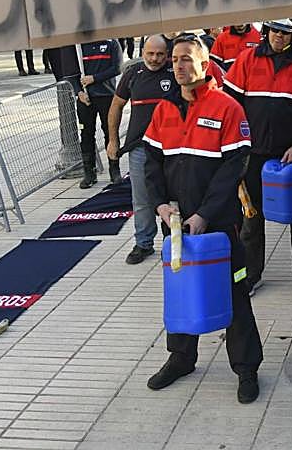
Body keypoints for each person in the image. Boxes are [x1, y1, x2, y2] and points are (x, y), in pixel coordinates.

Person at [143, 34, 263, 403]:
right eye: (175, 59)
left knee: (234, 294)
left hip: (218, 228)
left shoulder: (227, 108)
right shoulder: (163, 109)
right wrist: (160, 205)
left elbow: (234, 168)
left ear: (205, 65)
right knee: (180, 293)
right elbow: (151, 163)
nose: (178, 65)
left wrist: (204, 215)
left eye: (186, 59)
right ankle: (181, 358)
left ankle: (246, 369)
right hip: (176, 226)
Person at [224, 18, 292, 294]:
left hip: (289, 157)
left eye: (287, 33)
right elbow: (230, 106)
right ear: (267, 31)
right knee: (252, 217)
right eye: (276, 31)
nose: (280, 37)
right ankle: (251, 275)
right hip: (252, 155)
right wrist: (239, 144)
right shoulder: (246, 60)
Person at [107, 34, 177, 265]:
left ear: (167, 54)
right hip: (140, 147)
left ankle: (172, 239)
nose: (155, 59)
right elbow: (116, 106)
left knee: (174, 195)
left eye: (160, 54)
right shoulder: (132, 74)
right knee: (142, 198)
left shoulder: (175, 72)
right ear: (143, 52)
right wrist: (113, 140)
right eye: (150, 54)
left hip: (172, 146)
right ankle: (144, 243)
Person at [72, 39, 123, 188]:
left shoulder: (112, 42)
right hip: (85, 98)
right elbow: (71, 72)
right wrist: (79, 92)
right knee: (86, 134)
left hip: (106, 96)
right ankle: (89, 172)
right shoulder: (78, 45)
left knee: (110, 132)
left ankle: (114, 170)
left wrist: (94, 78)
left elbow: (117, 68)